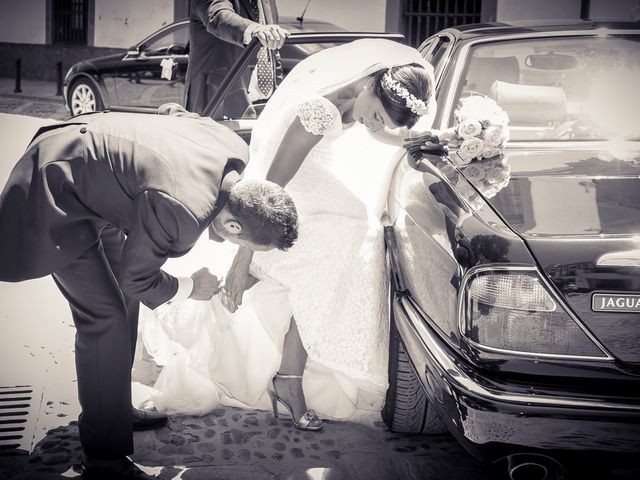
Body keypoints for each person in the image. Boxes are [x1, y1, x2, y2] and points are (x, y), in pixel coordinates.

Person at [142, 38, 436, 431]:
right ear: (372, 85)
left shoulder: (361, 99)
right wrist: (245, 252)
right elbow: (272, 187)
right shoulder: (318, 111)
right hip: (287, 195)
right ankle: (284, 370)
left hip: (319, 190)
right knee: (348, 239)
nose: (376, 125)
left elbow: (382, 135)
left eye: (384, 121)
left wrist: (437, 137)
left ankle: (287, 372)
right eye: (378, 114)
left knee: (358, 235)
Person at [0, 105, 298, 479]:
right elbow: (136, 279)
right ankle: (104, 461)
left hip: (96, 179)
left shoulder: (231, 147)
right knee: (104, 317)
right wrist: (191, 287)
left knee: (121, 304)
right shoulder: (183, 213)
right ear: (234, 226)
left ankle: (112, 408)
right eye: (247, 246)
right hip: (56, 189)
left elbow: (171, 110)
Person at [185, 0, 289, 115]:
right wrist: (254, 29)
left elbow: (272, 49)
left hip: (266, 105)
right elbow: (219, 15)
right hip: (219, 101)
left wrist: (277, 91)